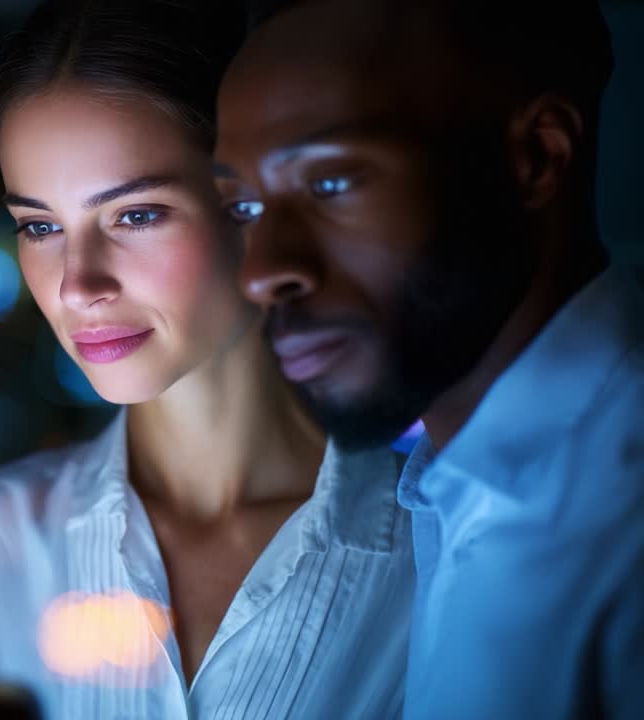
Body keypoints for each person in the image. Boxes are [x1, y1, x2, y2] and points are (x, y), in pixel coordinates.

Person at [0, 1, 415, 717]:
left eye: (136, 214)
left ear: (251, 203)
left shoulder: (447, 544)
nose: (78, 284)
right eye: (41, 226)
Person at [214, 0, 643, 717]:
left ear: (536, 157)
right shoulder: (444, 490)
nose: (261, 272)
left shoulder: (619, 522)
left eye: (330, 182)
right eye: (246, 207)